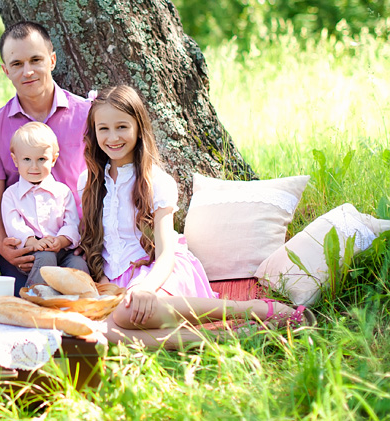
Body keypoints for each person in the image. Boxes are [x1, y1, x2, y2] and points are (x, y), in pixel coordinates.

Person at [80, 85, 313, 333]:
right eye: (103, 129)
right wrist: (105, 286)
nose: (113, 137)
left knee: (126, 315)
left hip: (158, 272)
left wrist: (146, 288)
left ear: (138, 129)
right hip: (116, 281)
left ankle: (251, 309)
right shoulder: (88, 182)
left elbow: (165, 253)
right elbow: (97, 244)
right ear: (94, 132)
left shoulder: (155, 182)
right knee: (101, 329)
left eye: (122, 127)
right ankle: (227, 337)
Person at [0, 21, 91, 295]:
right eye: (17, 64)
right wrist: (3, 246)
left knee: (82, 299)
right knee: (33, 305)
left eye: (36, 60)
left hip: (81, 245)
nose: (27, 71)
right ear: (6, 71)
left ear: (52, 60)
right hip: (26, 253)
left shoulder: (87, 116)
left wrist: (91, 239)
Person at [1, 122, 88, 287]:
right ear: (15, 160)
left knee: (78, 264)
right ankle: (38, 297)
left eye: (42, 159)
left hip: (62, 249)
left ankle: (78, 299)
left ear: (53, 159)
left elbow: (71, 222)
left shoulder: (63, 192)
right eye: (27, 159)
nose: (34, 166)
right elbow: (14, 225)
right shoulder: (11, 195)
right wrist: (33, 242)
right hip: (33, 251)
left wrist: (61, 241)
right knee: (46, 258)